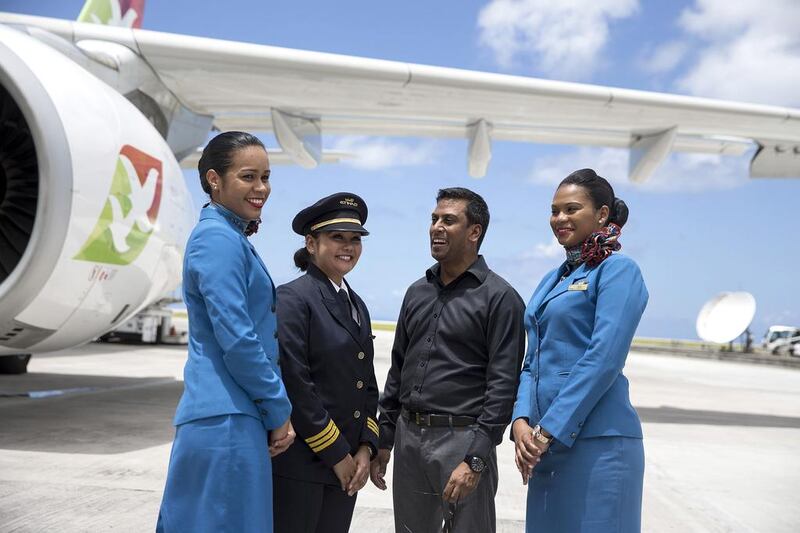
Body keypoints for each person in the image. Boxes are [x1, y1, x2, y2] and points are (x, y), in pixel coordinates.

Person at [157, 132, 294, 533]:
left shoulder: (228, 236)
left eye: (266, 177)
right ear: (214, 179)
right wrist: (278, 409)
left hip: (229, 416)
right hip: (226, 419)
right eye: (248, 177)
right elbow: (238, 338)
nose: (262, 188)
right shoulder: (218, 239)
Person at [372, 187, 526, 533]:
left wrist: (475, 458)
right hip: (409, 438)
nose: (436, 227)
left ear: (475, 232)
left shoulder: (501, 298)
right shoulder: (416, 292)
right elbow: (399, 368)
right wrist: (385, 438)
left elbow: (503, 386)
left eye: (449, 220)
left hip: (463, 441)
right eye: (434, 219)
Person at [511, 168, 649, 532]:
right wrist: (521, 421)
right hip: (546, 447)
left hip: (598, 447)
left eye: (571, 209)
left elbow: (604, 359)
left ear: (602, 214)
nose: (559, 219)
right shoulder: (554, 277)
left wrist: (547, 430)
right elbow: (532, 361)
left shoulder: (618, 271)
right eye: (554, 210)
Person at [272, 193, 379, 533]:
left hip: (347, 468)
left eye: (355, 239)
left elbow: (367, 384)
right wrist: (338, 455)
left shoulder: (356, 304)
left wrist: (366, 447)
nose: (348, 247)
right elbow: (295, 384)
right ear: (311, 242)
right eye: (337, 237)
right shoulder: (293, 298)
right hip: (304, 466)